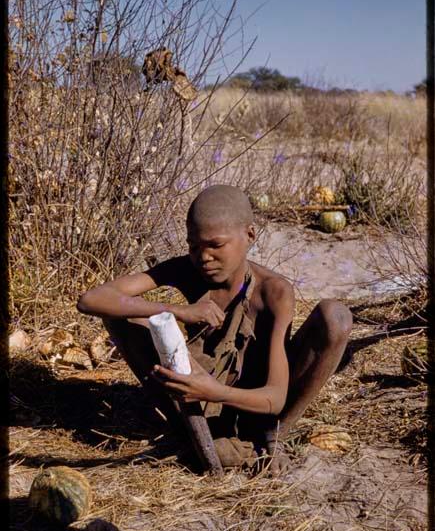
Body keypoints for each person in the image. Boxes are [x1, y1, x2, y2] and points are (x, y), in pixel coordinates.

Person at [77, 184, 352, 475]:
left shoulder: (274, 292)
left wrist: (215, 391)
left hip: (255, 405)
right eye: (194, 246)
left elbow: (274, 397)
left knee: (336, 316)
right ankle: (186, 429)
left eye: (215, 245)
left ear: (249, 235)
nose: (203, 257)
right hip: (194, 395)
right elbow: (92, 299)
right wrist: (177, 311)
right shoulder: (186, 270)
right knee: (122, 312)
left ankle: (273, 437)